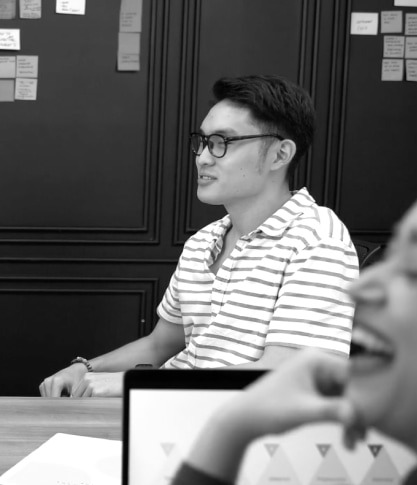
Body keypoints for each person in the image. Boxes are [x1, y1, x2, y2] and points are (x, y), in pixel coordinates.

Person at [41, 74, 358, 398]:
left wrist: (135, 384)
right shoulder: (203, 242)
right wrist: (86, 368)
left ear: (279, 155)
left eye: (223, 143)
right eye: (203, 141)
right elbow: (159, 344)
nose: (203, 157)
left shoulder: (317, 240)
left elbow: (291, 376)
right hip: (172, 413)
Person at [174, 199, 417, 484]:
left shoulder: (318, 235)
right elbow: (159, 343)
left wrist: (225, 425)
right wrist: (230, 426)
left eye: (412, 272)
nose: (359, 287)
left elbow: (280, 366)